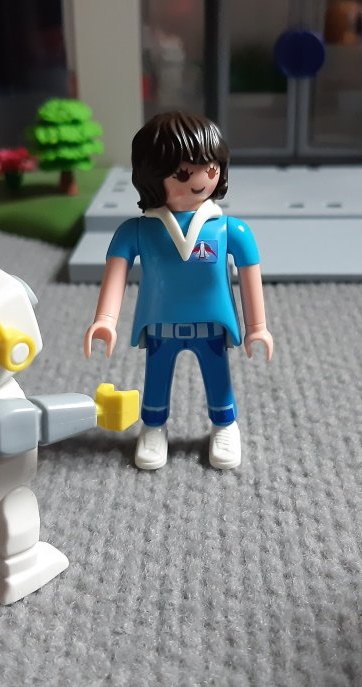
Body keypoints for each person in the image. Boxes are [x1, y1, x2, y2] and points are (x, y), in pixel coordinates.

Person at [84, 112, 273, 470]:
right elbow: (116, 274)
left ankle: (225, 425)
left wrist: (257, 327)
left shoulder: (230, 229)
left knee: (218, 377)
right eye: (183, 174)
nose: (200, 180)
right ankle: (153, 427)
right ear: (152, 177)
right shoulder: (137, 231)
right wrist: (105, 319)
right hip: (161, 325)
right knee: (156, 378)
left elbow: (250, 275)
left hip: (211, 326)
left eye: (210, 169)